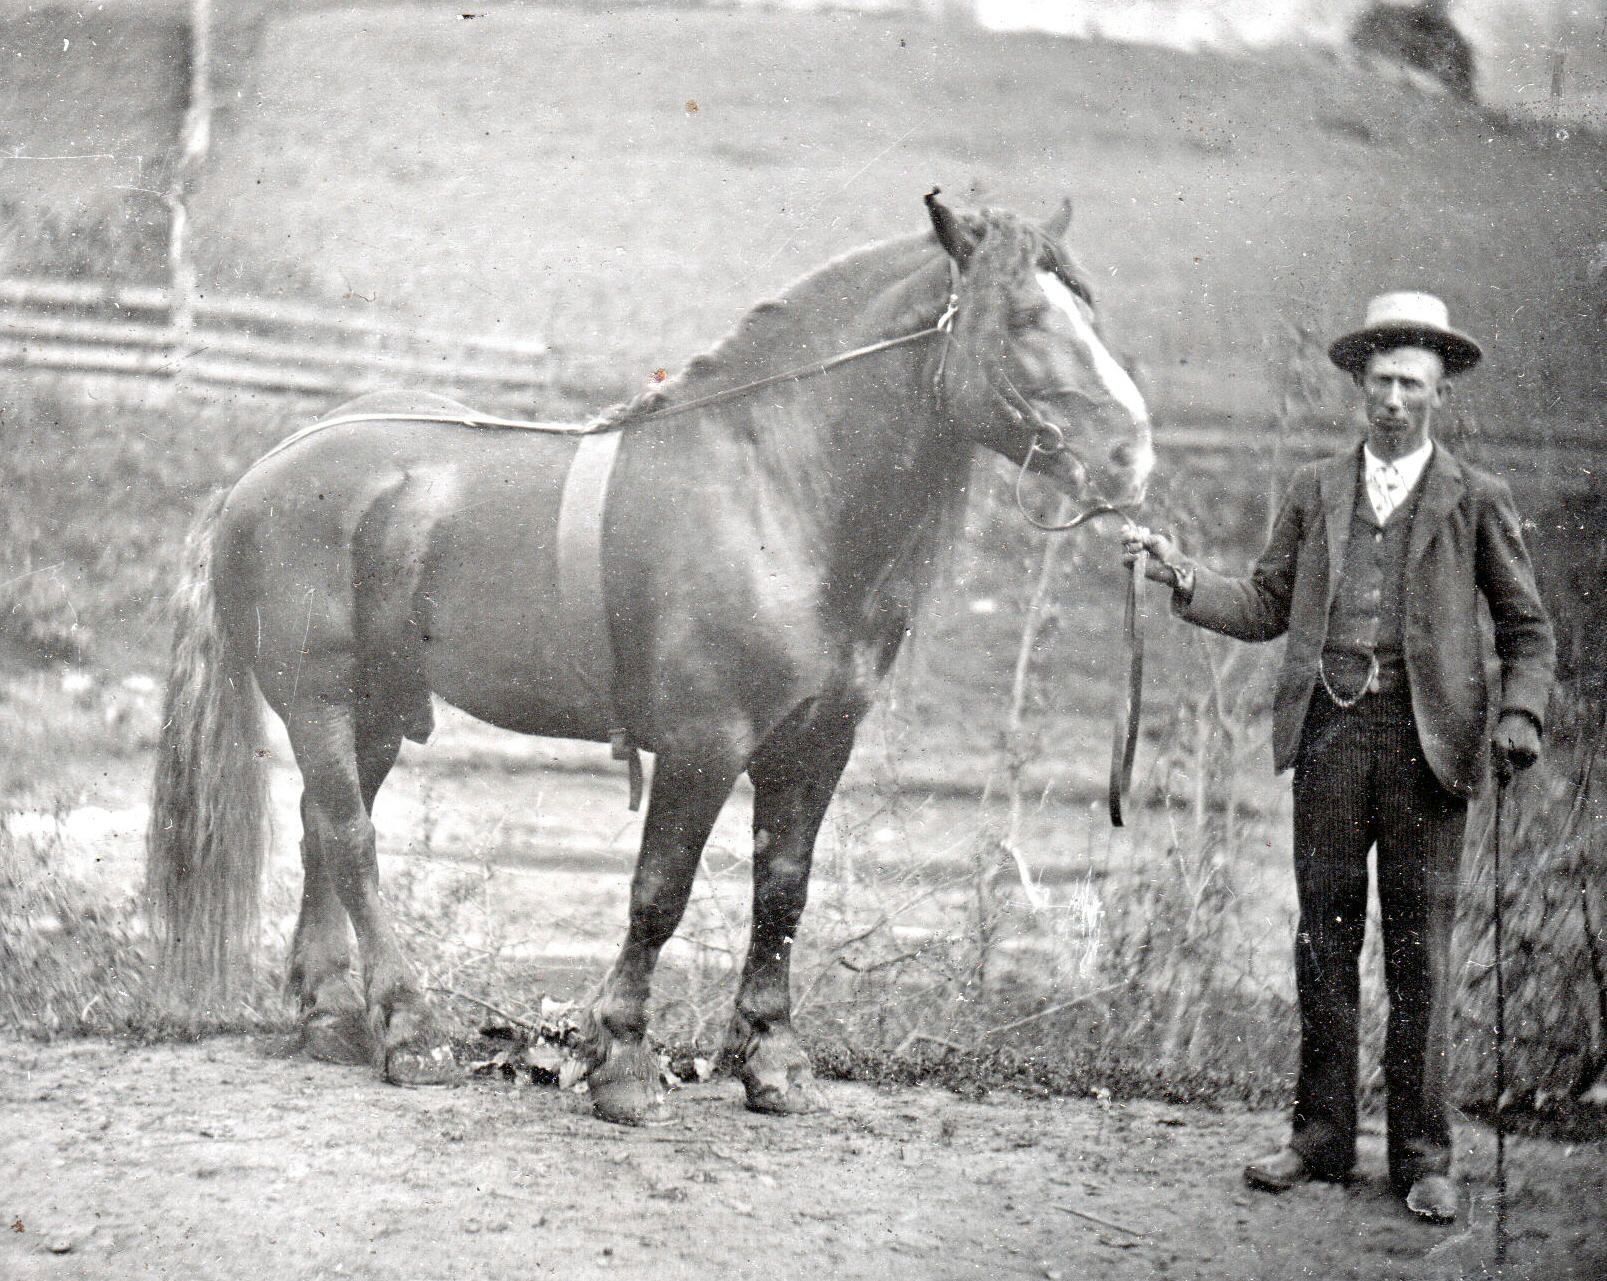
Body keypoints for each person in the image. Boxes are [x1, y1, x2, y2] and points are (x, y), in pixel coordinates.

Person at [1125, 292, 1555, 1223]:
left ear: (1438, 395)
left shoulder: (1477, 498)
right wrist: (1180, 573)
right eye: (1380, 382)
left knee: (1419, 956)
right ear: (1358, 388)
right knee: (1322, 941)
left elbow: (1527, 630)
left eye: (1411, 385)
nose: (1393, 400)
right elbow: (1265, 605)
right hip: (1329, 738)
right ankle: (1319, 1139)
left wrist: (1520, 713)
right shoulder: (1316, 488)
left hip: (1428, 750)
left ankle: (1422, 1157)